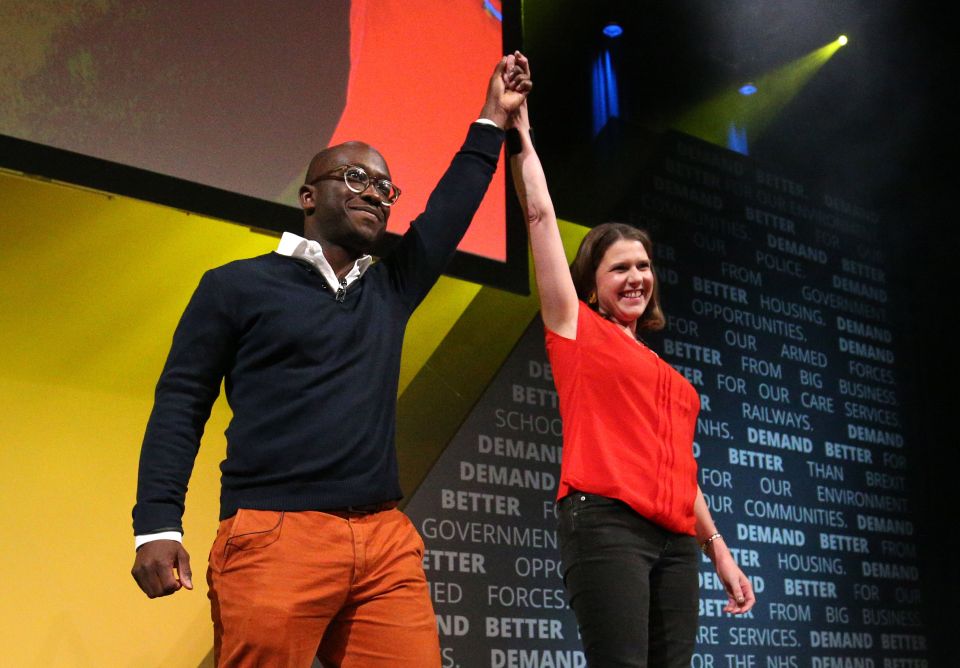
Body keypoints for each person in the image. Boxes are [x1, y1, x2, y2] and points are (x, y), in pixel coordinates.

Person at [131, 55, 531, 667]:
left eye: (386, 187)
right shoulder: (235, 286)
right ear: (309, 196)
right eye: (357, 178)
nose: (376, 192)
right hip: (274, 534)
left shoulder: (390, 289)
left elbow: (450, 210)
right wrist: (157, 525)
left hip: (383, 539)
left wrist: (490, 120)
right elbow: (181, 405)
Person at [505, 55, 755, 667]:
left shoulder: (670, 376)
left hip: (676, 540)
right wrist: (521, 134)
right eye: (621, 267)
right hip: (607, 523)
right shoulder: (576, 328)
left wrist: (718, 548)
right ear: (592, 283)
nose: (637, 276)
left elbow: (681, 473)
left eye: (644, 266)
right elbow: (538, 216)